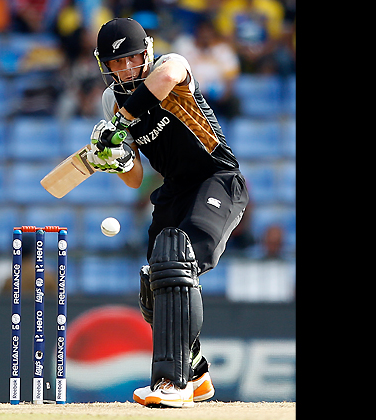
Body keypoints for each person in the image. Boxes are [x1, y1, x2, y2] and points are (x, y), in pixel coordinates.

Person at [86, 17, 249, 408]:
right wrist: (118, 159)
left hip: (216, 178)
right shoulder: (113, 100)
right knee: (157, 280)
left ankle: (171, 383)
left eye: (131, 59)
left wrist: (119, 126)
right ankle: (195, 372)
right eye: (115, 63)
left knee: (180, 258)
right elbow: (137, 175)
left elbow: (166, 79)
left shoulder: (169, 66)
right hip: (174, 189)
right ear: (103, 66)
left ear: (147, 53)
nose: (124, 69)